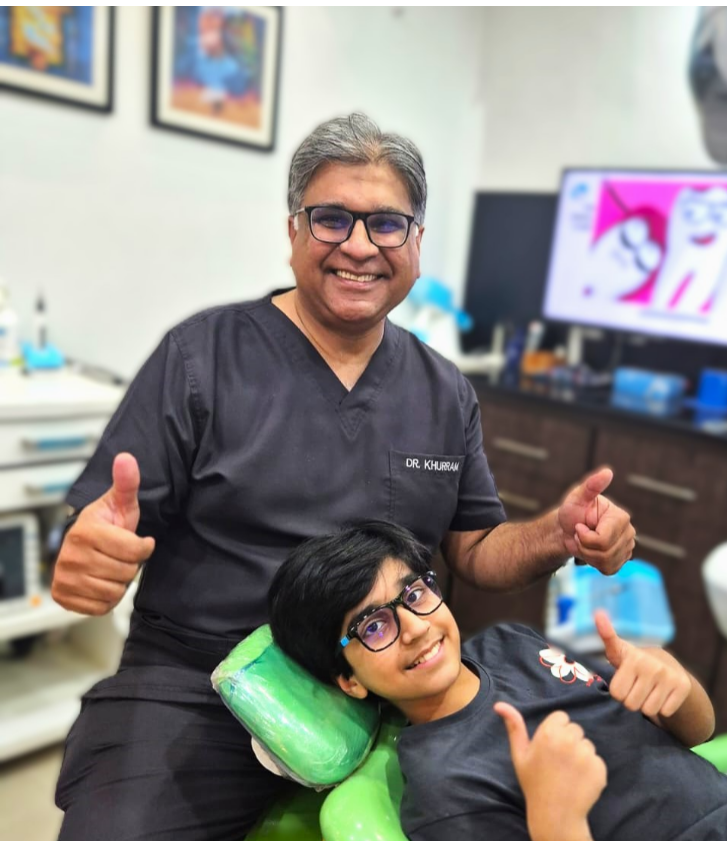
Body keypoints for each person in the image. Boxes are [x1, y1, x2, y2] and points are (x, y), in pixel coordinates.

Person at [51, 112, 635, 841]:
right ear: (294, 230)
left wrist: (557, 534)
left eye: (387, 224)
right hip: (204, 686)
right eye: (332, 218)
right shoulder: (203, 358)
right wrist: (81, 552)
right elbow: (93, 527)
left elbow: (476, 550)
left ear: (416, 242)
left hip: (393, 688)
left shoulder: (443, 390)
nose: (359, 246)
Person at [269, 521, 727, 841]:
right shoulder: (444, 791)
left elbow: (697, 732)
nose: (415, 627)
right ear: (349, 681)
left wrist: (676, 686)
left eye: (413, 593)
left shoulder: (509, 643)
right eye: (373, 626)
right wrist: (558, 816)